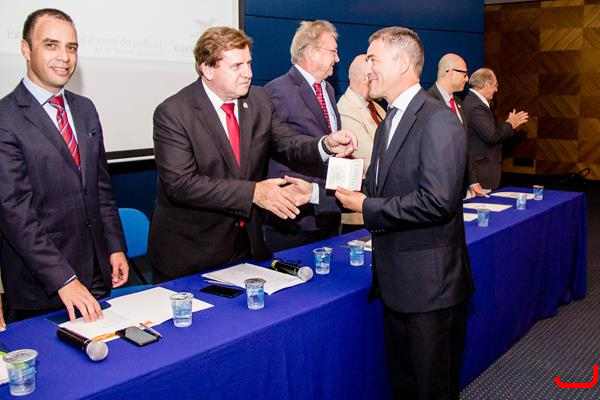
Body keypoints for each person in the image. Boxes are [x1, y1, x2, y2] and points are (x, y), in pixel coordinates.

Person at [148, 27, 356, 283]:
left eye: (248, 63)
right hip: (191, 250)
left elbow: (289, 143)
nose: (248, 73)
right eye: (237, 66)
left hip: (243, 246)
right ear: (208, 69)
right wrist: (254, 193)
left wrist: (325, 145)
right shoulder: (174, 113)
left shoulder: (258, 100)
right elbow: (181, 185)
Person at [333, 27, 474, 400]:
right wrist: (317, 195)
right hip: (396, 284)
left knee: (432, 389)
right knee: (405, 387)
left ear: (403, 64)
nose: (367, 69)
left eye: (373, 59)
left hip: (430, 289)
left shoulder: (438, 119)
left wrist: (367, 207)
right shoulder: (388, 122)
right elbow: (376, 190)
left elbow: (438, 201)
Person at [0, 8, 129, 323]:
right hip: (41, 288)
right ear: (26, 49)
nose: (64, 57)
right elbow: (15, 214)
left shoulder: (85, 109)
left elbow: (100, 187)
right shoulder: (6, 118)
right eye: (51, 45)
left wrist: (114, 246)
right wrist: (64, 279)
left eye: (71, 47)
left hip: (96, 273)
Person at [262, 20, 343, 253]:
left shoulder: (327, 89)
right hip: (293, 217)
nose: (337, 59)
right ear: (312, 52)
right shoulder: (278, 90)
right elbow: (279, 146)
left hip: (325, 210)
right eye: (333, 51)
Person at [427, 53, 486, 197]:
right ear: (451, 73)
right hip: (438, 188)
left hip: (460, 188)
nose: (467, 79)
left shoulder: (459, 102)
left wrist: (472, 181)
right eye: (464, 74)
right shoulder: (428, 102)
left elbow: (465, 144)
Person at [463, 68, 529, 190]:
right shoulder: (475, 106)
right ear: (487, 85)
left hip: (481, 173)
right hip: (479, 174)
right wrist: (510, 124)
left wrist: (509, 125)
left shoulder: (475, 102)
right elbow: (492, 136)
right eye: (495, 86)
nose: (496, 90)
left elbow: (490, 131)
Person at [338, 54, 386, 169]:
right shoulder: (345, 111)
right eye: (377, 77)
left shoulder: (376, 107)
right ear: (366, 79)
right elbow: (371, 161)